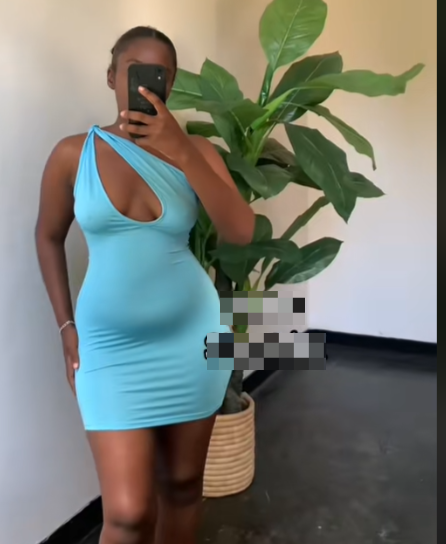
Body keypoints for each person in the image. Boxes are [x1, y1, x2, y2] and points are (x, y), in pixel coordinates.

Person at [35, 25, 255, 544]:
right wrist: (65, 326)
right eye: (135, 71)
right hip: (109, 347)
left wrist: (182, 152)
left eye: (161, 75)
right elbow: (47, 236)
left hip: (195, 341)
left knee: (183, 487)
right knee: (127, 513)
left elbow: (241, 233)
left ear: (171, 84)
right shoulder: (73, 153)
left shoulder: (196, 150)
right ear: (112, 75)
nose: (147, 84)